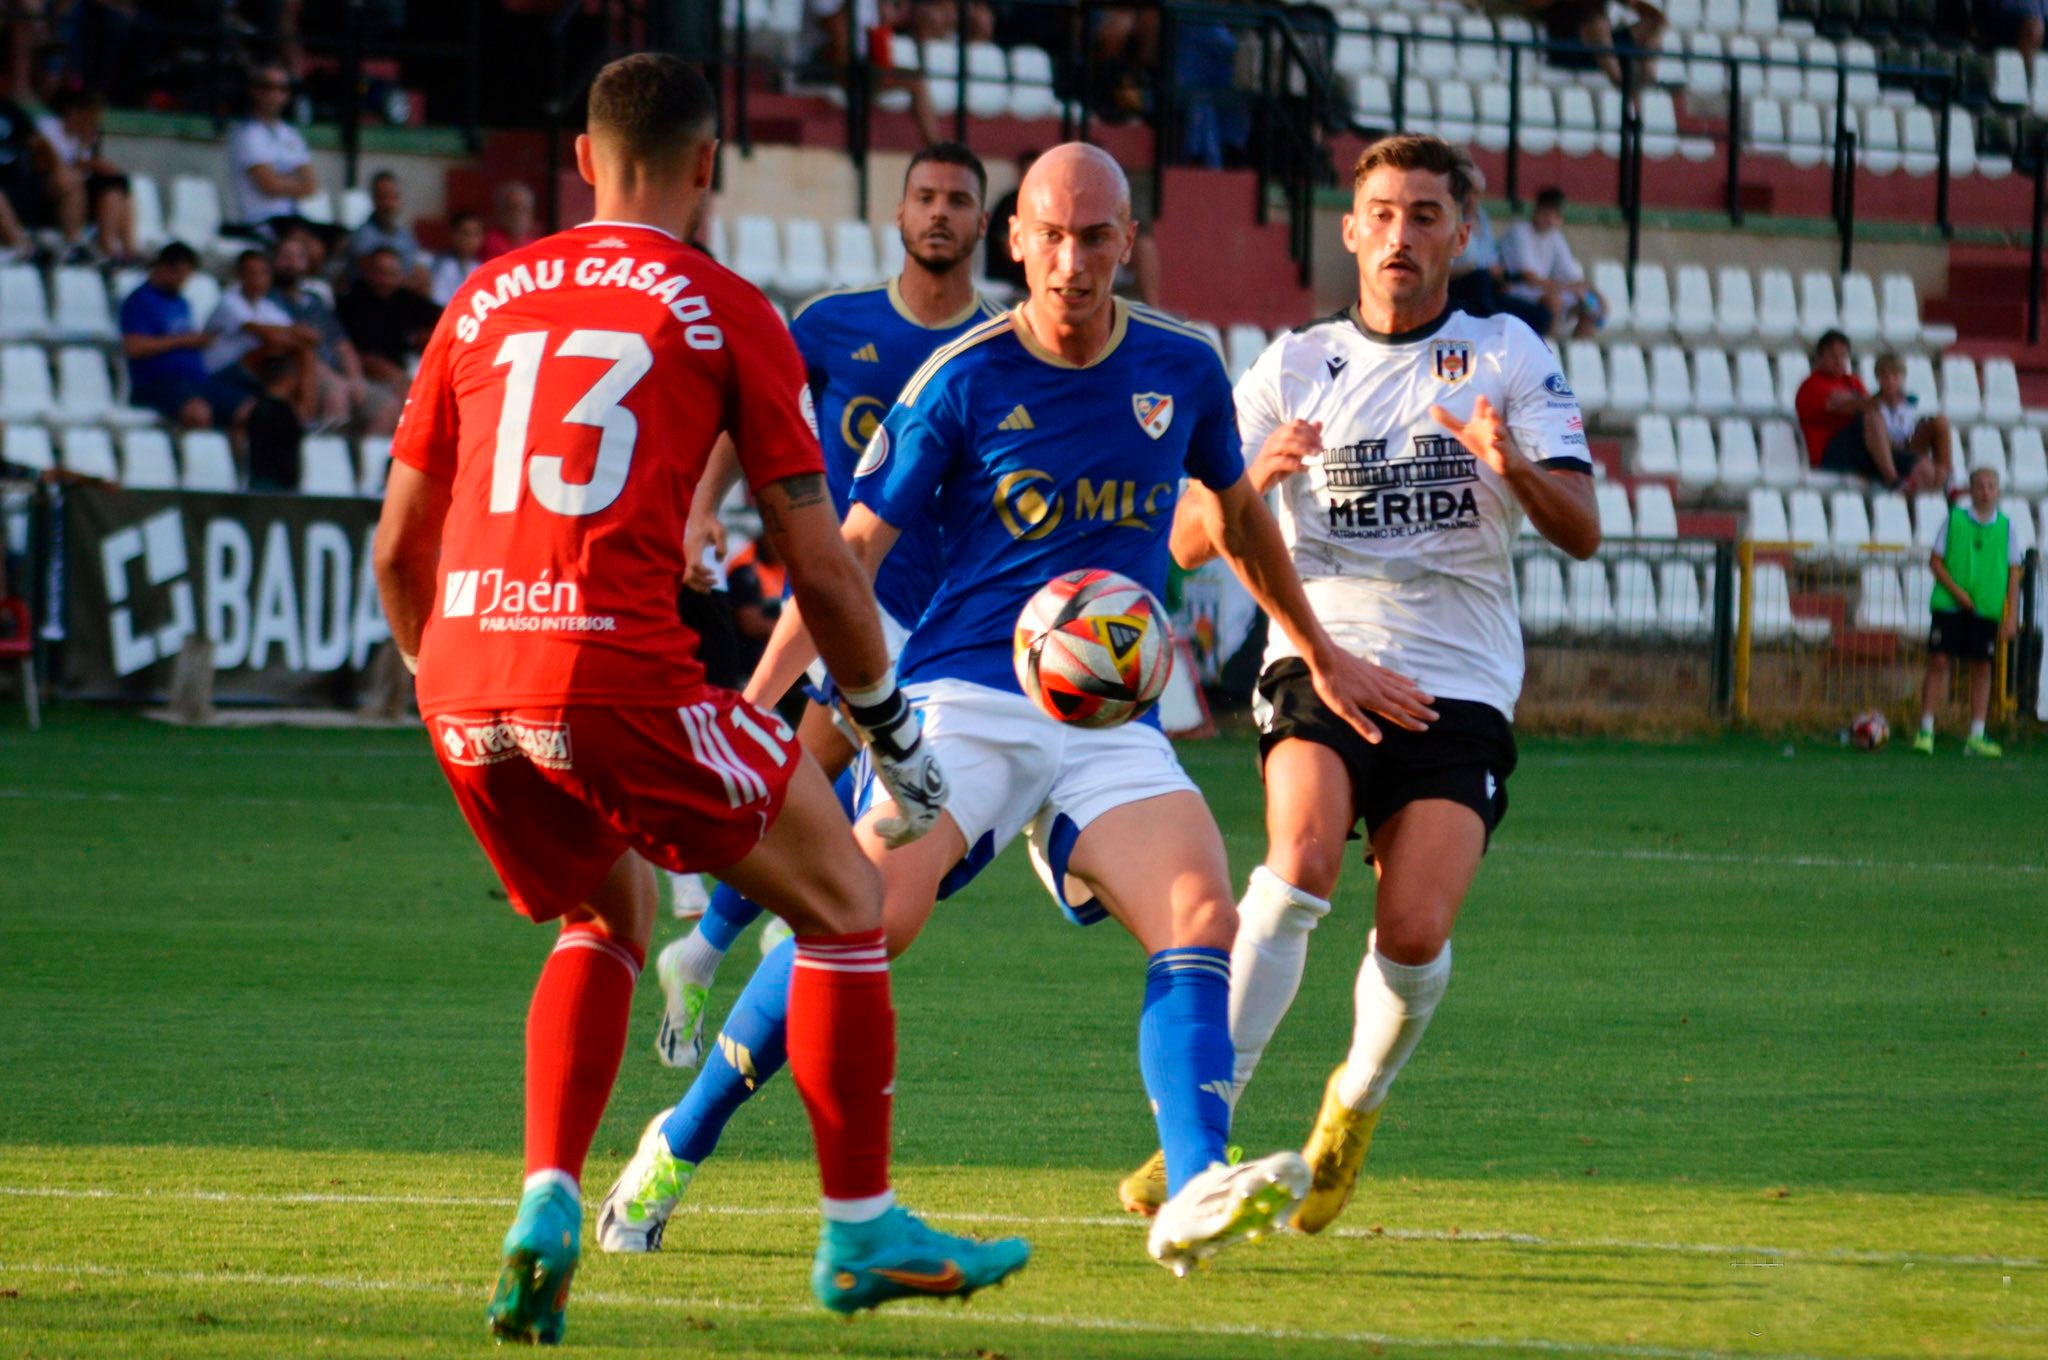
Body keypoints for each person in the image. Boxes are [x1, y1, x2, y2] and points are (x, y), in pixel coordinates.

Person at [598, 140, 1435, 1277]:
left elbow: (1238, 516)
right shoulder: (962, 376)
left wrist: (1318, 651)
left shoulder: (1182, 366)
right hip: (965, 700)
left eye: (1095, 238)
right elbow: (848, 556)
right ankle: (676, 1142)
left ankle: (1194, 1182)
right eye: (1052, 237)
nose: (1073, 262)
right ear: (1018, 242)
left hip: (1109, 717)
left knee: (1199, 912)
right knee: (862, 920)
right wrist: (752, 708)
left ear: (1126, 241)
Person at [369, 53, 1027, 1343]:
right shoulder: (726, 307)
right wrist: (889, 729)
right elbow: (822, 563)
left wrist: (443, 679)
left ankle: (548, 1198)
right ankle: (859, 1229)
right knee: (843, 900)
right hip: (612, 668)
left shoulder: (483, 296)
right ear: (709, 165)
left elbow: (399, 547)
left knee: (602, 912)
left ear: (582, 159)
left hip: (463, 675)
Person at [1121, 133, 1600, 1234]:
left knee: (1415, 931)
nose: (1399, 234)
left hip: (1458, 682)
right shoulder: (1291, 365)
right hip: (1319, 656)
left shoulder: (1506, 354)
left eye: (1424, 215)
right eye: (1380, 213)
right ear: (1349, 230)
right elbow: (1186, 539)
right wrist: (1252, 478)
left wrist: (1512, 467)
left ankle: (1352, 1106)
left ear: (1460, 233)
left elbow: (1580, 527)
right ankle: (1200, 1130)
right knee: (1296, 865)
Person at [634, 141, 1004, 1074]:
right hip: (848, 600)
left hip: (950, 615)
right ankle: (731, 943)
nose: (940, 213)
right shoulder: (833, 324)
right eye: (925, 196)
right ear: (899, 212)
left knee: (841, 801)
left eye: (958, 200)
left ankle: (714, 945)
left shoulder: (1001, 347)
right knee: (815, 776)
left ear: (984, 223)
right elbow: (748, 416)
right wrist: (701, 507)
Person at [1913, 463, 2023, 758]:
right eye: (1980, 486)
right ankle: (1926, 729)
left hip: (1985, 608)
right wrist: (1958, 592)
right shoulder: (1954, 520)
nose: (1985, 491)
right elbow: (1935, 561)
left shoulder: (2007, 528)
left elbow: (2014, 571)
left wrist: (2012, 614)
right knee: (1938, 661)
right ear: (1971, 490)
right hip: (1950, 604)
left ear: (1997, 491)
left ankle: (1976, 733)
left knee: (1982, 667)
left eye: (1991, 486)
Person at [273, 231, 391, 433]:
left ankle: (361, 453)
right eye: (286, 256)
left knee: (387, 406)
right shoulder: (269, 299)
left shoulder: (315, 301)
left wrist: (356, 378)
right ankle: (327, 452)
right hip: (297, 369)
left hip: (333, 372)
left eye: (298, 257)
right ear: (274, 260)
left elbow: (341, 343)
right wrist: (331, 375)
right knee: (336, 393)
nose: (292, 263)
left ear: (306, 264)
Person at [1799, 337, 1947, 491]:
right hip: (1832, 453)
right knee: (1873, 418)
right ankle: (1893, 481)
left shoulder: (1852, 381)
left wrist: (1866, 401)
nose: (1838, 360)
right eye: (1832, 355)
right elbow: (1852, 405)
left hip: (1865, 449)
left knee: (1925, 467)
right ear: (1819, 358)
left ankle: (1945, 484)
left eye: (1843, 355)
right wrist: (1867, 401)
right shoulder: (1811, 386)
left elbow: (1869, 404)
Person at [119, 242, 238, 431]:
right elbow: (134, 347)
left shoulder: (181, 302)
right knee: (198, 413)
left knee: (248, 410)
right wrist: (184, 340)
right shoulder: (139, 301)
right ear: (163, 268)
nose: (183, 281)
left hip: (196, 381)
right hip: (159, 382)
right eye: (180, 275)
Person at [1446, 167, 1551, 337]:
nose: (1471, 198)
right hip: (1460, 290)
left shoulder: (1483, 219)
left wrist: (1499, 277)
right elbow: (1441, 273)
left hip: (1488, 291)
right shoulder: (1449, 220)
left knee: (1541, 317)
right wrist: (1475, 268)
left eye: (1477, 193)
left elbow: (1492, 260)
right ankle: (1487, 331)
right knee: (1480, 278)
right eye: (1468, 192)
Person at [36, 86, 133, 261]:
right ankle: (73, 242)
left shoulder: (84, 136)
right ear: (73, 112)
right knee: (73, 182)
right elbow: (46, 162)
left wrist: (85, 148)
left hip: (80, 185)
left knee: (115, 187)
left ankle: (118, 247)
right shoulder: (48, 127)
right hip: (49, 186)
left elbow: (83, 165)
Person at [226, 65, 316, 236]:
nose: (275, 94)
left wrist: (279, 180)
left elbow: (311, 185)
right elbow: (269, 185)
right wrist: (291, 180)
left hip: (291, 217)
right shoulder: (246, 134)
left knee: (340, 237)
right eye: (267, 87)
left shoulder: (290, 133)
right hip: (259, 220)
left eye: (282, 88)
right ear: (254, 91)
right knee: (306, 244)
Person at [1500, 187, 1600, 337]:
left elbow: (1571, 275)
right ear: (1536, 210)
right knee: (1553, 301)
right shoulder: (1520, 232)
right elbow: (1529, 278)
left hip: (1542, 289)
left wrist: (1595, 294)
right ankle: (1548, 346)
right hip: (1516, 289)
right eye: (1547, 214)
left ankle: (1580, 348)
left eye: (1556, 216)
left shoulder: (1555, 236)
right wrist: (1569, 288)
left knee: (1590, 305)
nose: (1551, 220)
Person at [337, 245, 440, 387]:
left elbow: (442, 317)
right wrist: (403, 380)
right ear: (368, 272)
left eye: (392, 274)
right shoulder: (352, 304)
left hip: (406, 367)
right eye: (380, 273)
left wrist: (427, 337)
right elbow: (365, 356)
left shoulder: (404, 297)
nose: (386, 280)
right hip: (368, 379)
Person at [1529, 0, 1667, 89]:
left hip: (1603, 47)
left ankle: (1649, 81)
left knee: (1654, 23)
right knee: (1597, 23)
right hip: (1566, 46)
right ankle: (1621, 83)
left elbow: (1640, 8)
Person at [347, 169, 429, 289]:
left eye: (394, 197)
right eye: (384, 197)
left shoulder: (406, 236)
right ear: (374, 199)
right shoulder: (361, 237)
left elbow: (415, 271)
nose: (389, 204)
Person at [429, 209, 485, 305]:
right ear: (454, 236)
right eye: (466, 234)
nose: (471, 240)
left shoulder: (479, 267)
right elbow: (438, 299)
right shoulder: (444, 265)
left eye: (476, 234)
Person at [479, 180, 539, 260]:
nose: (517, 214)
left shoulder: (536, 242)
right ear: (500, 211)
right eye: (512, 209)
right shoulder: (487, 243)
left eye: (523, 208)